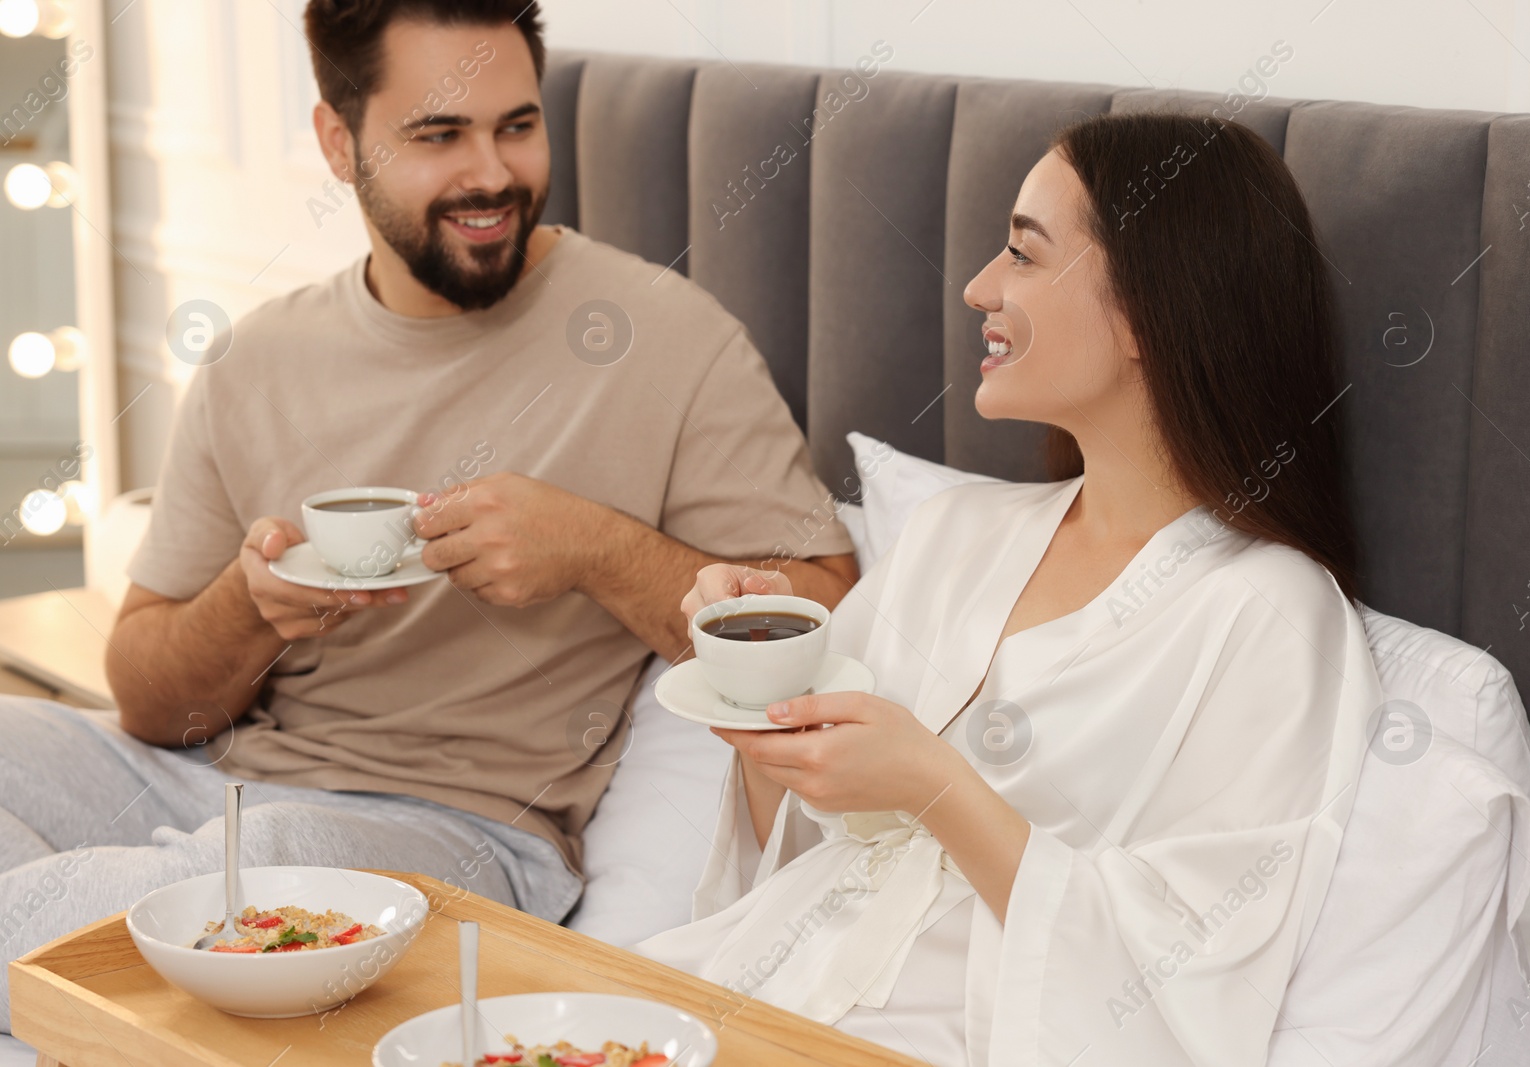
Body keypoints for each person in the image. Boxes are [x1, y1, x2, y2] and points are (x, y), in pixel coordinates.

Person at [0, 0, 855, 1031]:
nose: (491, 173)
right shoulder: (254, 359)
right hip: (216, 780)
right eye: (438, 135)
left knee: (238, 879)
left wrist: (591, 546)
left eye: (517, 125)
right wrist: (248, 604)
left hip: (456, 832)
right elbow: (144, 696)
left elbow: (824, 614)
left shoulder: (669, 337)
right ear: (336, 140)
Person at [637, 113, 1384, 1066]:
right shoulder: (954, 535)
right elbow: (786, 855)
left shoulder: (1270, 615)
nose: (979, 287)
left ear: (1147, 312)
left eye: (1024, 257)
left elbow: (1188, 983)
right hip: (738, 992)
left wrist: (940, 788)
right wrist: (755, 690)